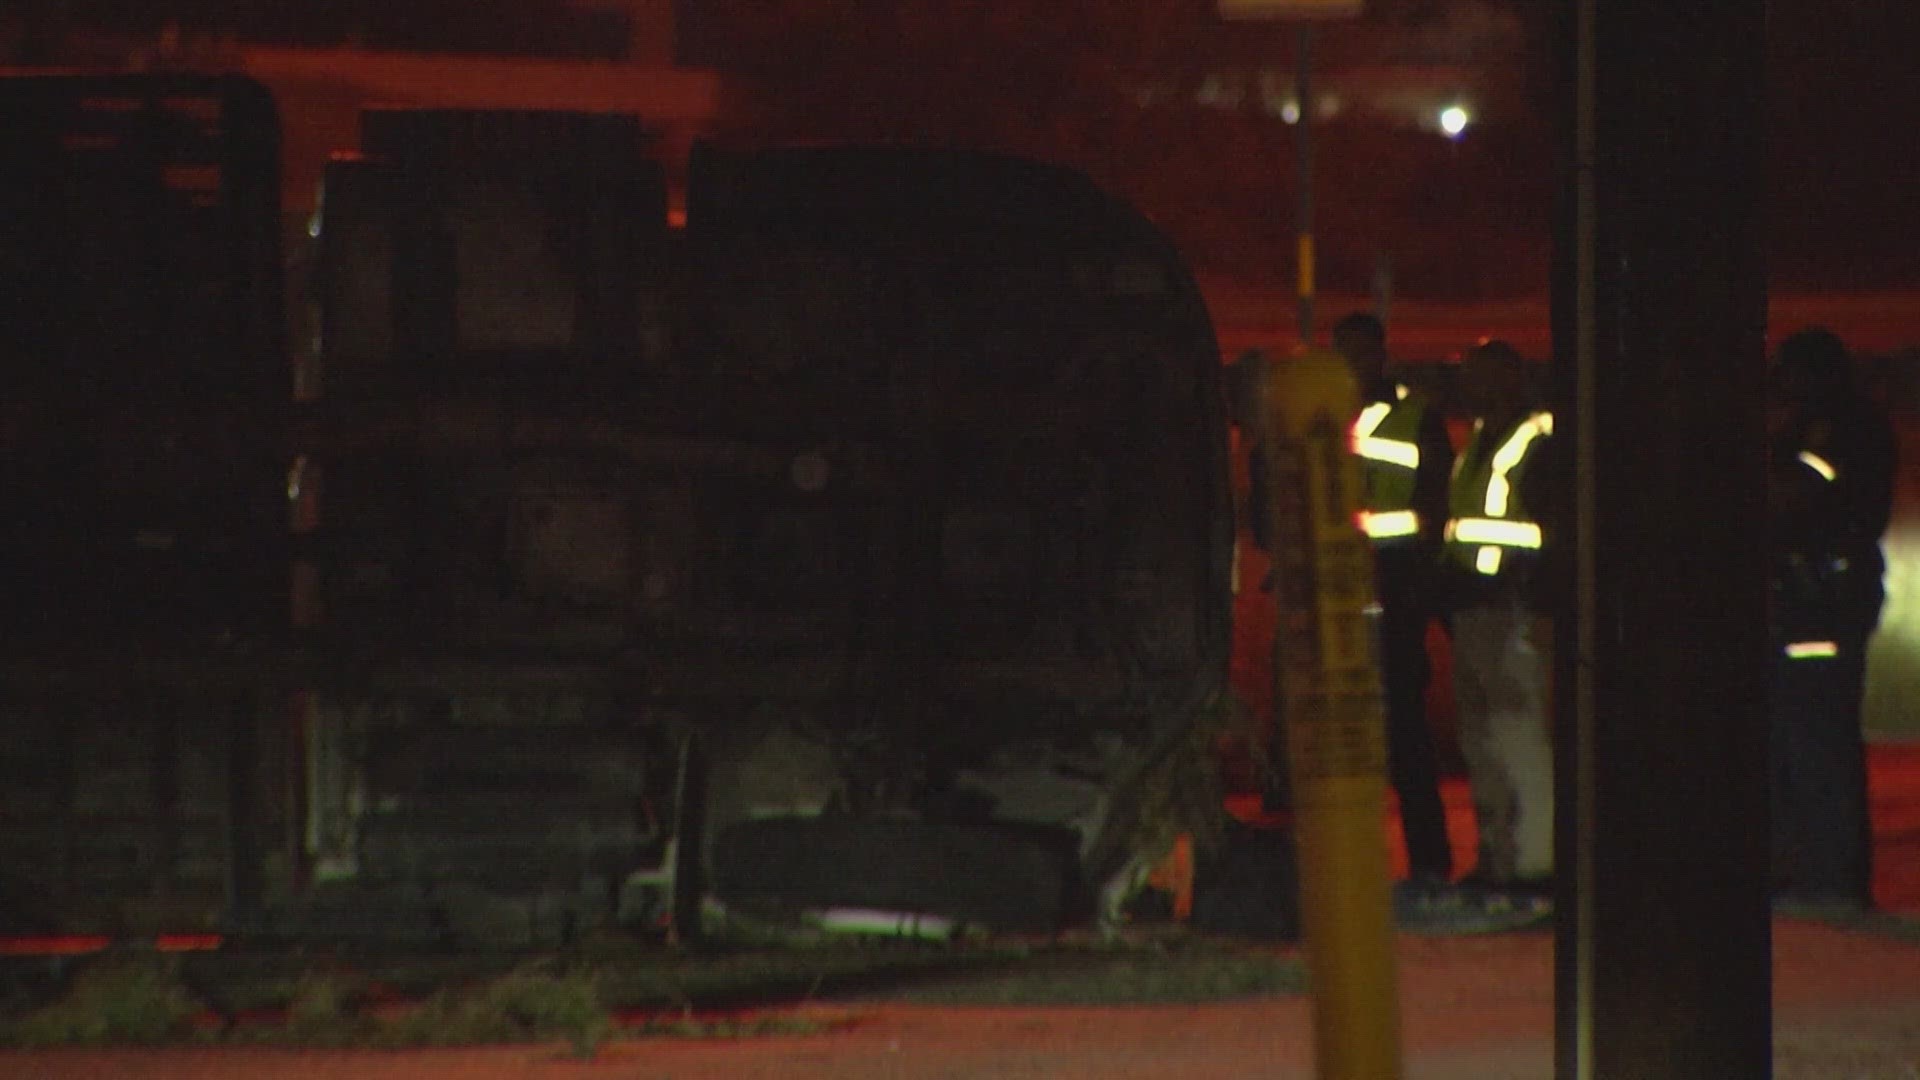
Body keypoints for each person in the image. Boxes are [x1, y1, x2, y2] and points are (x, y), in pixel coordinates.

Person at [1768, 327, 1895, 917]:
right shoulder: (1827, 427)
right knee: (1795, 747)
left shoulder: (1841, 431)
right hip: (1807, 604)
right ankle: (1809, 873)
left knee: (1816, 745)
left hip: (1818, 607)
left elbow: (1798, 497)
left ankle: (1831, 879)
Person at [1331, 313, 1456, 893]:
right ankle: (1348, 871)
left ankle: (1429, 864)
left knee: (1404, 732)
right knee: (1337, 739)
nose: (1355, 364)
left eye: (1364, 352)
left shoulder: (1414, 416)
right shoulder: (1320, 415)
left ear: (1381, 356)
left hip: (1394, 589)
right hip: (1334, 594)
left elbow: (1433, 503)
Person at [1442, 338, 1559, 902]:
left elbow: (1541, 530)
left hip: (1512, 609)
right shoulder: (1482, 440)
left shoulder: (1536, 438)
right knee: (1484, 739)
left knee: (1518, 737)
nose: (1471, 388)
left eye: (1482, 377)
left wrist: (1521, 591)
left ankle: (1535, 862)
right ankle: (1497, 858)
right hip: (1475, 606)